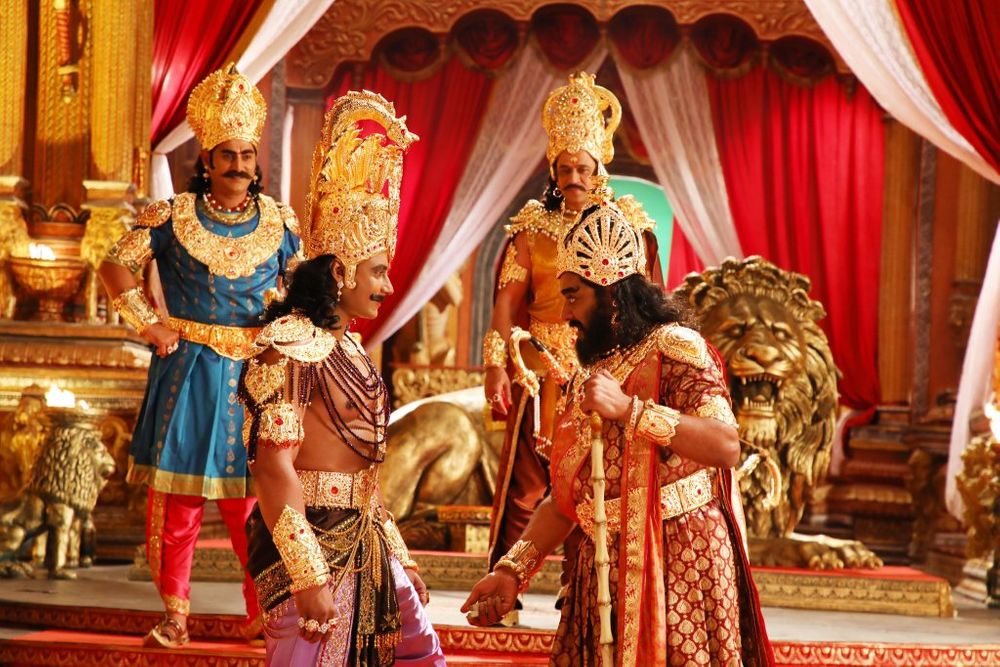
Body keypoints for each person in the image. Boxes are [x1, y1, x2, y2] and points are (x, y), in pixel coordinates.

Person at [465, 200, 774, 665]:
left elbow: (725, 444)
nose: (565, 313)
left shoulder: (676, 348)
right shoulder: (589, 375)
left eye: (573, 296)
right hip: (601, 570)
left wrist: (630, 410)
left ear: (610, 292)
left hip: (681, 564)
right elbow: (566, 495)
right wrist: (513, 571)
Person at [238, 90, 445, 665]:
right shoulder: (287, 347)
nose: (387, 286)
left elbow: (366, 474)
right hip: (313, 540)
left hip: (367, 538)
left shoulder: (349, 347)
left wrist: (400, 557)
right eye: (378, 272)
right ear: (339, 269)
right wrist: (308, 576)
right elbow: (273, 468)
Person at [98, 63, 301, 648]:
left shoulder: (282, 223)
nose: (238, 164)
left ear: (256, 160)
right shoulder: (169, 217)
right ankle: (175, 615)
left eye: (246, 154)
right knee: (180, 497)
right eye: (226, 155)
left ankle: (262, 612)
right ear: (206, 161)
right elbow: (115, 265)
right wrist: (149, 324)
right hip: (187, 370)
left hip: (256, 377)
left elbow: (301, 291)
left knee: (254, 502)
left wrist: (292, 339)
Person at [483, 72, 662, 609]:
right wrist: (495, 366)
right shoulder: (532, 229)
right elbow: (505, 304)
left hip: (606, 371)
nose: (574, 178)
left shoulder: (627, 226)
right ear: (553, 171)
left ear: (600, 166)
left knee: (597, 478)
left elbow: (647, 301)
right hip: (538, 370)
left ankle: (582, 586)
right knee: (524, 486)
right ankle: (503, 588)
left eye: (584, 168)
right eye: (565, 169)